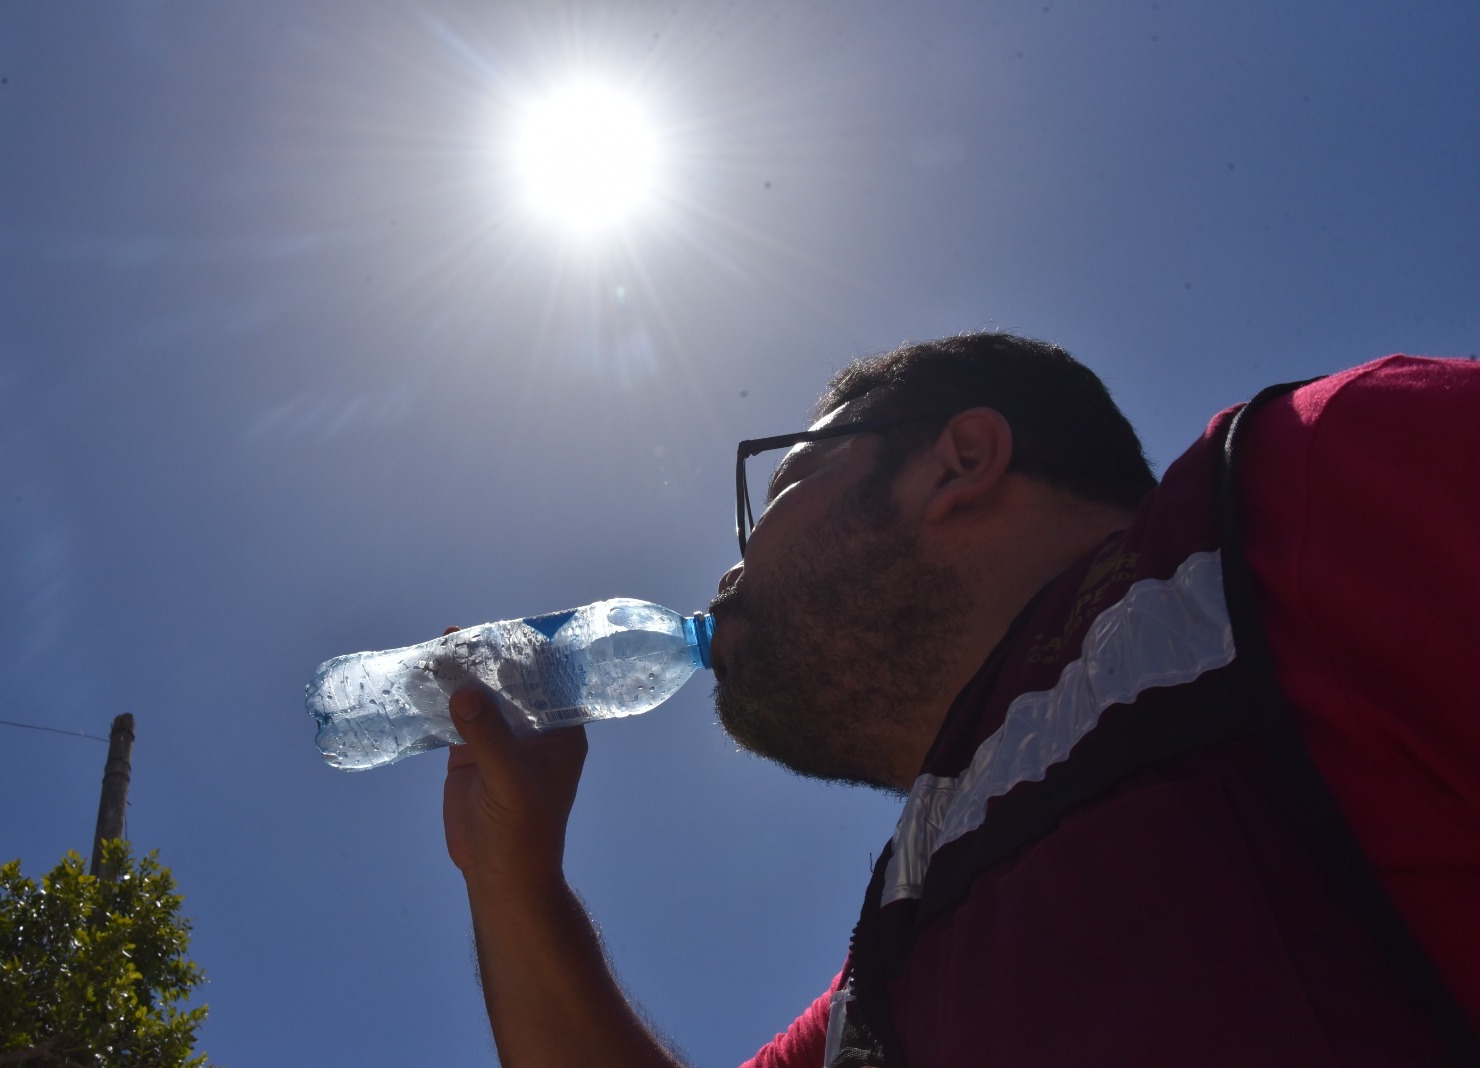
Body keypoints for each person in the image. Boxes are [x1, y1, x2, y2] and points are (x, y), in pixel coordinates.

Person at [441, 333, 1480, 1067]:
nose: (732, 567)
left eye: (785, 485)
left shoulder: (1297, 497)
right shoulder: (888, 969)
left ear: (962, 462)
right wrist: (513, 877)